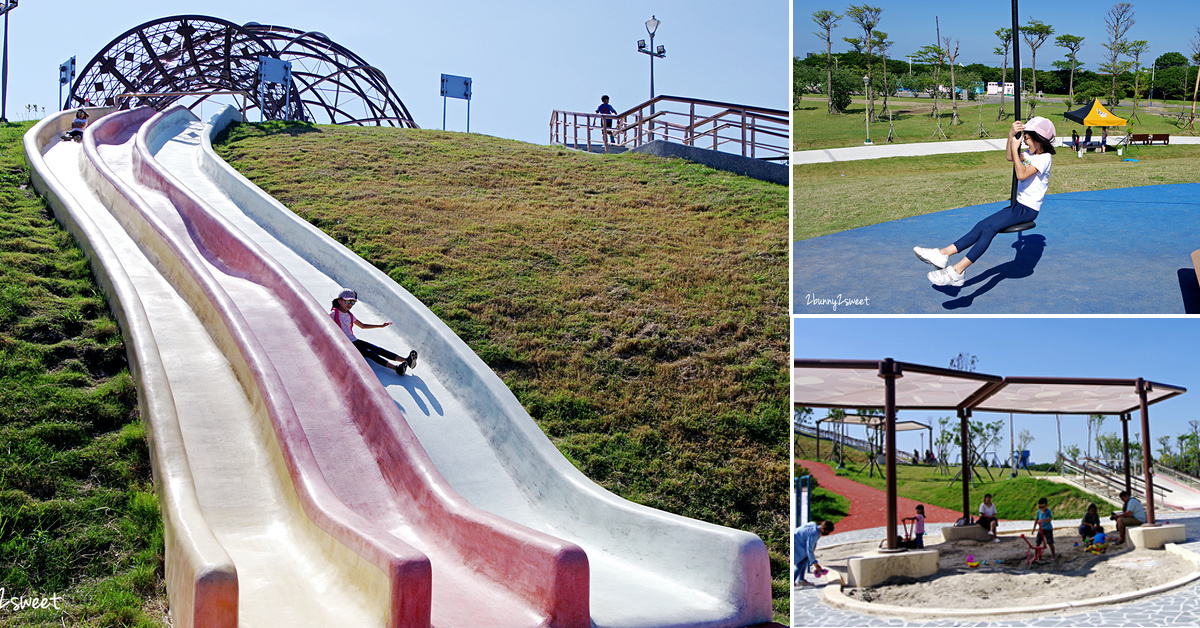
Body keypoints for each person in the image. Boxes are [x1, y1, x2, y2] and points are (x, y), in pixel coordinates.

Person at [914, 117, 1056, 287]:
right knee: (982, 225)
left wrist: (1015, 148)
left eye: (1027, 138)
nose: (1025, 141)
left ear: (1039, 139)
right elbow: (1010, 157)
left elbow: (1021, 174)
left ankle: (958, 271)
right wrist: (1010, 137)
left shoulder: (1044, 158)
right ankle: (943, 254)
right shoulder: (1030, 155)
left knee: (990, 229)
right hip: (1019, 206)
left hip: (1028, 209)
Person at [330, 289, 417, 376]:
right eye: (348, 301)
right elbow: (327, 328)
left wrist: (380, 326)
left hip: (354, 341)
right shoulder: (334, 313)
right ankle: (397, 368)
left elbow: (362, 326)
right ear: (340, 301)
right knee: (370, 353)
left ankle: (406, 360)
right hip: (345, 344)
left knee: (377, 349)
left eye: (352, 302)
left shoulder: (350, 315)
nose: (350, 304)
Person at [794, 520, 834, 586]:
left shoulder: (813, 524)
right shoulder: (814, 534)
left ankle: (801, 580)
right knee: (800, 564)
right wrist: (816, 565)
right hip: (796, 543)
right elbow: (809, 551)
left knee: (804, 560)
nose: (827, 534)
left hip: (795, 537)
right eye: (827, 532)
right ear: (822, 528)